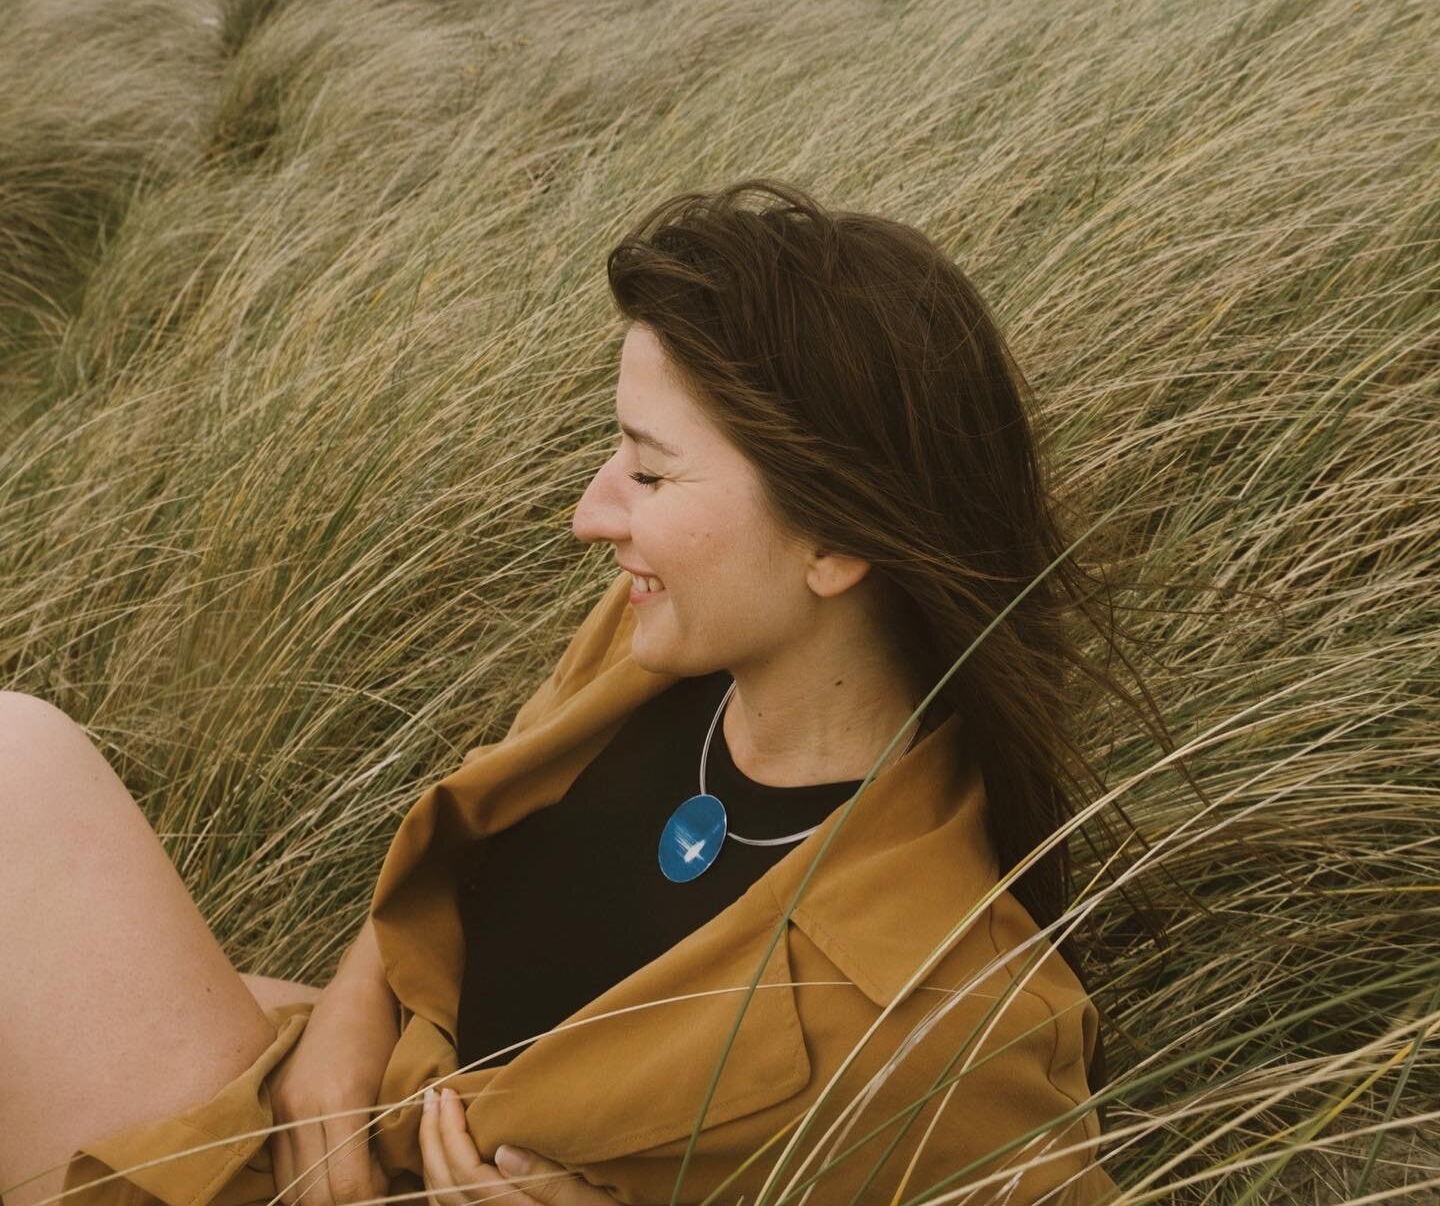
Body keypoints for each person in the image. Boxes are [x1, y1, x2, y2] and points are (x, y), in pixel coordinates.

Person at [1, 179, 1131, 1206]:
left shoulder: (956, 1020)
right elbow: (467, 849)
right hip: (326, 1113)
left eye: (648, 471)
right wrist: (351, 1014)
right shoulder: (654, 654)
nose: (593, 514)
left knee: (19, 764)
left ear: (832, 539)